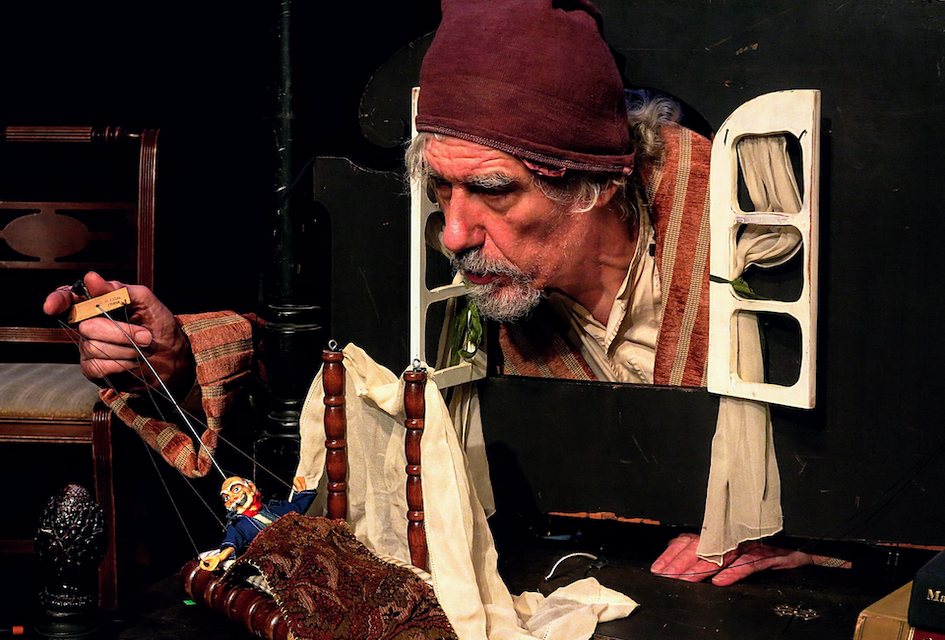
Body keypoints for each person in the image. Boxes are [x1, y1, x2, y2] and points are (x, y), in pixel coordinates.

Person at [44, 0, 813, 585]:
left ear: (599, 184)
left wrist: (812, 522)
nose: (454, 233)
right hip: (542, 571)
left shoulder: (754, 226)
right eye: (440, 189)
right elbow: (342, 349)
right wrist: (175, 360)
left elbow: (864, 420)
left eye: (493, 191)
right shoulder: (459, 257)